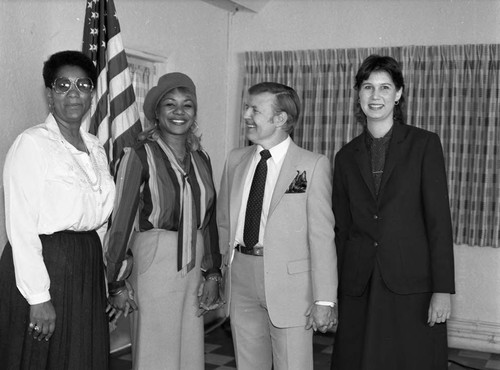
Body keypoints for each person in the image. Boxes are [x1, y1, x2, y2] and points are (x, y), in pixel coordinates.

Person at [330, 55, 455, 370]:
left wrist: (443, 290)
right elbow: (341, 230)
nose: (376, 96)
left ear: (398, 94)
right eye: (368, 87)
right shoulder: (345, 157)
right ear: (358, 94)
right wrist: (332, 293)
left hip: (411, 284)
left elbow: (439, 223)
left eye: (385, 87)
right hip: (359, 285)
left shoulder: (424, 144)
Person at [0, 50, 115, 369]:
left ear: (92, 92)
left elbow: (100, 222)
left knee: (80, 356)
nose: (74, 92)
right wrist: (38, 298)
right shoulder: (32, 144)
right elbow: (20, 227)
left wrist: (101, 283)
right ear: (49, 94)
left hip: (87, 266)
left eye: (83, 84)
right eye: (63, 85)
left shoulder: (95, 147)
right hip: (45, 267)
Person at [105, 72, 223, 370]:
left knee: (189, 349)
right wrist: (116, 282)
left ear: (194, 112)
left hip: (193, 261)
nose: (179, 112)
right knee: (155, 351)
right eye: (170, 104)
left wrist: (212, 273)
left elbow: (207, 220)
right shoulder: (139, 156)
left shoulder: (201, 159)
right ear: (156, 112)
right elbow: (120, 223)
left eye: (187, 105)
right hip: (155, 259)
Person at [217, 82, 338, 370]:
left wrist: (325, 299)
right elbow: (223, 222)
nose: (246, 114)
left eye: (255, 109)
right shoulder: (235, 160)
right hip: (241, 277)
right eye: (247, 107)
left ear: (280, 119)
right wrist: (220, 273)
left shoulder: (313, 165)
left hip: (291, 286)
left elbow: (322, 237)